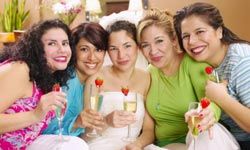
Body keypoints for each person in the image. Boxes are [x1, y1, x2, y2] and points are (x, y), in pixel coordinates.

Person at [137, 8, 223, 149]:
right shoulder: (149, 73)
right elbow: (148, 129)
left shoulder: (192, 64)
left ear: (173, 40)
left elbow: (214, 103)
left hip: (196, 141)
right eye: (145, 45)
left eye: (159, 41)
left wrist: (208, 113)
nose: (153, 51)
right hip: (162, 146)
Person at [173, 2, 250, 149]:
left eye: (200, 31)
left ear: (219, 31)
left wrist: (221, 98)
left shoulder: (242, 61)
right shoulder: (208, 65)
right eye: (186, 36)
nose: (192, 42)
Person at [0, 19, 87, 149]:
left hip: (22, 146)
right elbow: (35, 116)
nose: (62, 49)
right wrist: (35, 114)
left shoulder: (50, 75)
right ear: (37, 48)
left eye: (65, 43)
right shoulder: (20, 70)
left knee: (75, 145)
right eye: (52, 43)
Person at [28, 22, 108, 149]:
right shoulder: (64, 81)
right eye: (84, 49)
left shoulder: (95, 83)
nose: (92, 57)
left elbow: (87, 133)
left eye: (98, 49)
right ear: (73, 50)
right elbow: (42, 129)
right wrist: (75, 123)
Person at [82, 20, 155, 150]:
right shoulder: (96, 79)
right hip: (100, 145)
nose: (121, 55)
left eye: (127, 46)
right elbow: (87, 133)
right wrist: (107, 121)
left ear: (137, 47)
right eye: (113, 48)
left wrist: (136, 145)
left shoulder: (146, 78)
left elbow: (149, 130)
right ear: (107, 51)